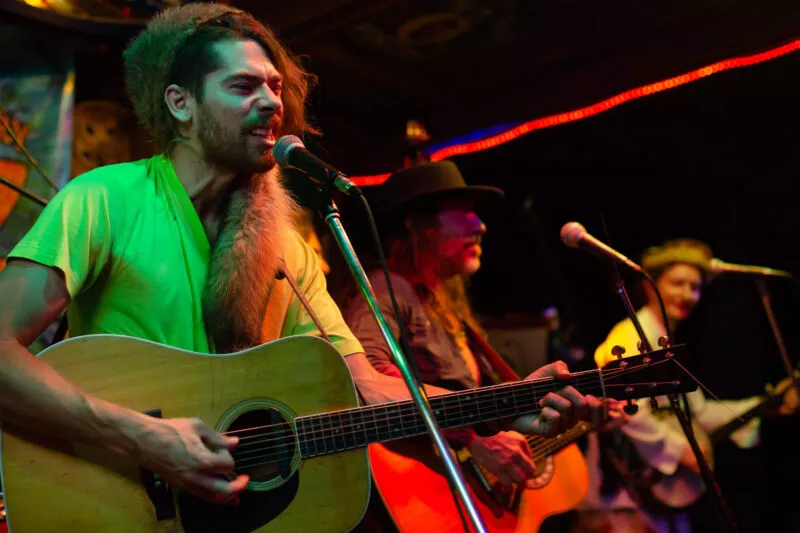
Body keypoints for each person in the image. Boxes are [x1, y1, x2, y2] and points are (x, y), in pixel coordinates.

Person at [0, 2, 605, 516]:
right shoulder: (103, 200)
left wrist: (502, 409)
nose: (272, 104)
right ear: (180, 104)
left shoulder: (289, 244)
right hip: (116, 500)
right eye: (243, 87)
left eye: (276, 86)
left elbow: (363, 384)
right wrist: (141, 435)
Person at [338, 161, 619, 530]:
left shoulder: (441, 301)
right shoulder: (385, 288)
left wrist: (572, 416)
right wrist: (472, 438)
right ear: (416, 223)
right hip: (422, 490)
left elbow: (485, 403)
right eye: (465, 212)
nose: (480, 225)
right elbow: (368, 380)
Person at [573, 239, 798, 533]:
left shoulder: (667, 342)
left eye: (695, 287)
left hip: (659, 502)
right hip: (622, 499)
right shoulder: (627, 337)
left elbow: (697, 414)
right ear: (650, 286)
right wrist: (678, 449)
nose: (688, 295)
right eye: (677, 283)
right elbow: (629, 411)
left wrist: (765, 404)